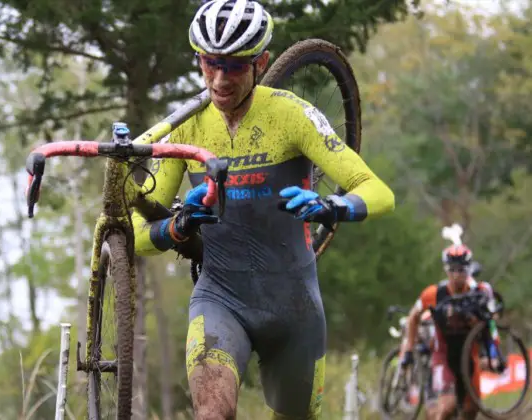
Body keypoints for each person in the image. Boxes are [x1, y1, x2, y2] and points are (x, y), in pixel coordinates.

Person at [130, 1, 395, 418]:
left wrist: (333, 205)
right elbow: (136, 232)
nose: (219, 79)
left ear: (262, 62)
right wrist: (176, 228)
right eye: (210, 63)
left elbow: (379, 192)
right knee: (212, 413)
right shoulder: (187, 124)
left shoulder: (291, 114)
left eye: (234, 66)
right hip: (220, 298)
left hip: (294, 306)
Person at [399, 244, 502, 420]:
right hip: (443, 356)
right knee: (446, 408)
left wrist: (493, 353)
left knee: (470, 411)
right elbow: (413, 317)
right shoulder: (433, 293)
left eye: (461, 270)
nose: (456, 275)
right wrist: (409, 347)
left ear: (468, 269)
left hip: (470, 357)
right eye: (452, 270)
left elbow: (492, 323)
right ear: (446, 270)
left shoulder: (478, 293)